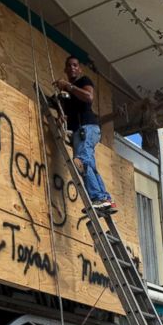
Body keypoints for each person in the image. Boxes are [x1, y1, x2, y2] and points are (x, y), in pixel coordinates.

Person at [55, 56, 116, 213]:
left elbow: (89, 97)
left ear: (80, 69)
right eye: (69, 65)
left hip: (87, 128)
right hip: (80, 131)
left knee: (81, 161)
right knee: (88, 163)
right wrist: (62, 118)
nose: (72, 68)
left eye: (75, 65)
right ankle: (105, 199)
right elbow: (69, 114)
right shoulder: (68, 95)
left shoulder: (83, 82)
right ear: (65, 69)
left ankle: (97, 197)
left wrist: (68, 86)